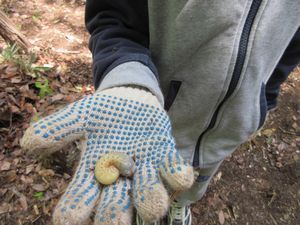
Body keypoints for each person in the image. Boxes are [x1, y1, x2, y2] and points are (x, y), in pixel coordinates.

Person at [21, 1, 300, 225]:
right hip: (152, 124)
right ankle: (151, 211)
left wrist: (264, 99)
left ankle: (180, 204)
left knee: (193, 180)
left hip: (226, 130)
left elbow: (288, 51)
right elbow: (113, 17)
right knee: (154, 180)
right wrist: (128, 79)